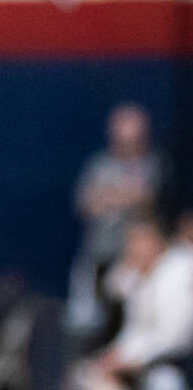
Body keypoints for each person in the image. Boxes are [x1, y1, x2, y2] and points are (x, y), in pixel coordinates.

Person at [66, 103, 170, 353]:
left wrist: (108, 195)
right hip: (100, 255)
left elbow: (146, 197)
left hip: (138, 263)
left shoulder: (155, 163)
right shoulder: (98, 164)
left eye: (134, 138)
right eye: (123, 138)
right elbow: (85, 203)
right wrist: (123, 194)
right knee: (92, 320)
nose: (128, 144)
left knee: (136, 321)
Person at [67, 215, 193, 390]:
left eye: (137, 241)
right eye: (129, 241)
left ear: (156, 239)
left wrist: (129, 360)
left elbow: (172, 338)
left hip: (173, 362)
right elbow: (114, 291)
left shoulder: (179, 271)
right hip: (142, 359)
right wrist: (116, 356)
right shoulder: (140, 273)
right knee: (84, 374)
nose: (130, 248)